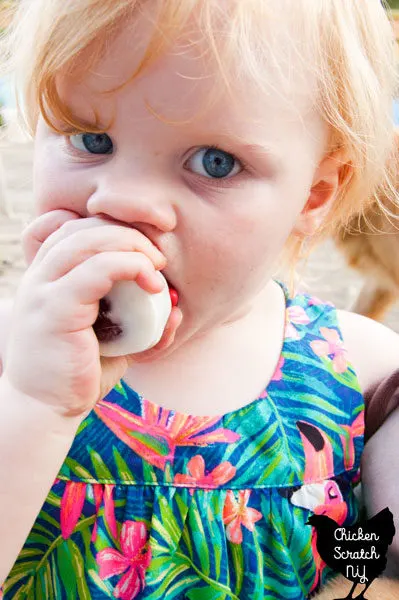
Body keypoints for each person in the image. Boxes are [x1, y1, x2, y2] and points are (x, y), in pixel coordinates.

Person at [0, 1, 399, 598]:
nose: (121, 202)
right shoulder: (12, 358)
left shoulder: (360, 373)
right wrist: (33, 404)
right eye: (90, 138)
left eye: (215, 163)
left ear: (313, 195)